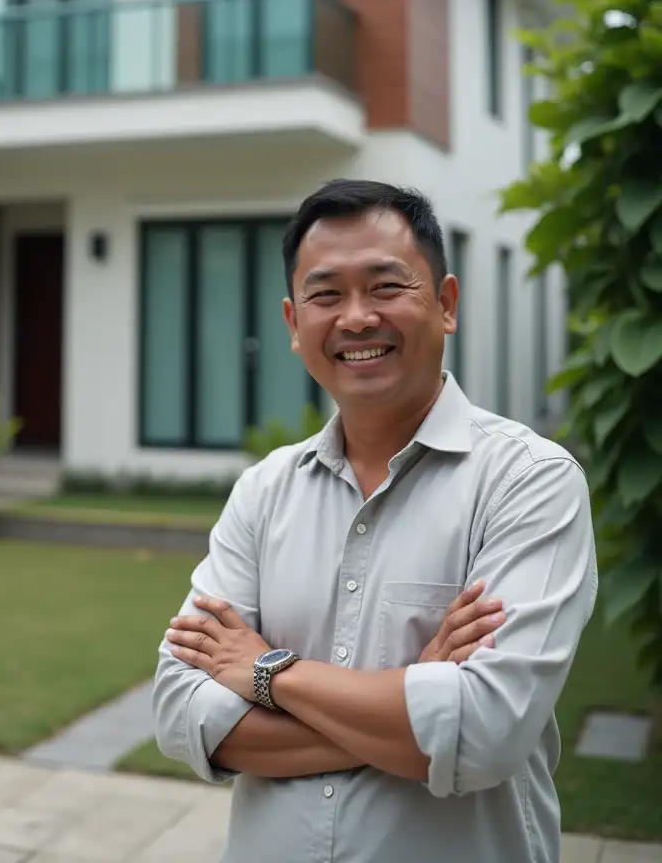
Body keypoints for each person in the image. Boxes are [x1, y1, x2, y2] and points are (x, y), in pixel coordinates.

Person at [152, 179, 597, 863]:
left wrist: (268, 673)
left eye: (387, 287)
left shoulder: (529, 482)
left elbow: (483, 736)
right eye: (326, 295)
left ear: (446, 305)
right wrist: (412, 700)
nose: (356, 318)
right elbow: (182, 714)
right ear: (294, 325)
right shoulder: (263, 491)